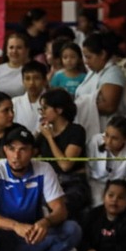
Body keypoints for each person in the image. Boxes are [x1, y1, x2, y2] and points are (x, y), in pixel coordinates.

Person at [36, 88, 90, 220]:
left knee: (62, 206)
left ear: (59, 110)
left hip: (72, 183)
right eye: (40, 109)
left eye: (45, 108)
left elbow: (65, 165)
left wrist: (50, 138)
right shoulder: (43, 133)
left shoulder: (76, 131)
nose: (42, 113)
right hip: (50, 182)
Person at [75, 33, 126, 138]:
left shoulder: (113, 74)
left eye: (89, 57)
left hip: (107, 133)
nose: (85, 61)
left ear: (102, 54)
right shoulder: (93, 72)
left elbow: (109, 106)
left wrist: (76, 106)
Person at [86, 116, 126, 207]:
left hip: (119, 187)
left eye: (114, 138)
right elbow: (87, 168)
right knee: (98, 205)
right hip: (95, 184)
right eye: (106, 135)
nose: (108, 141)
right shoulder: (95, 141)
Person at [0, 32, 30, 98]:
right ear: (6, 50)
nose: (14, 51)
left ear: (26, 50)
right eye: (11, 47)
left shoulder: (31, 71)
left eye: (19, 48)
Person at [11, 61, 48, 132]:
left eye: (36, 78)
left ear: (44, 80)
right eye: (27, 78)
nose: (31, 83)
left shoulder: (52, 102)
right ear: (22, 81)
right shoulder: (15, 102)